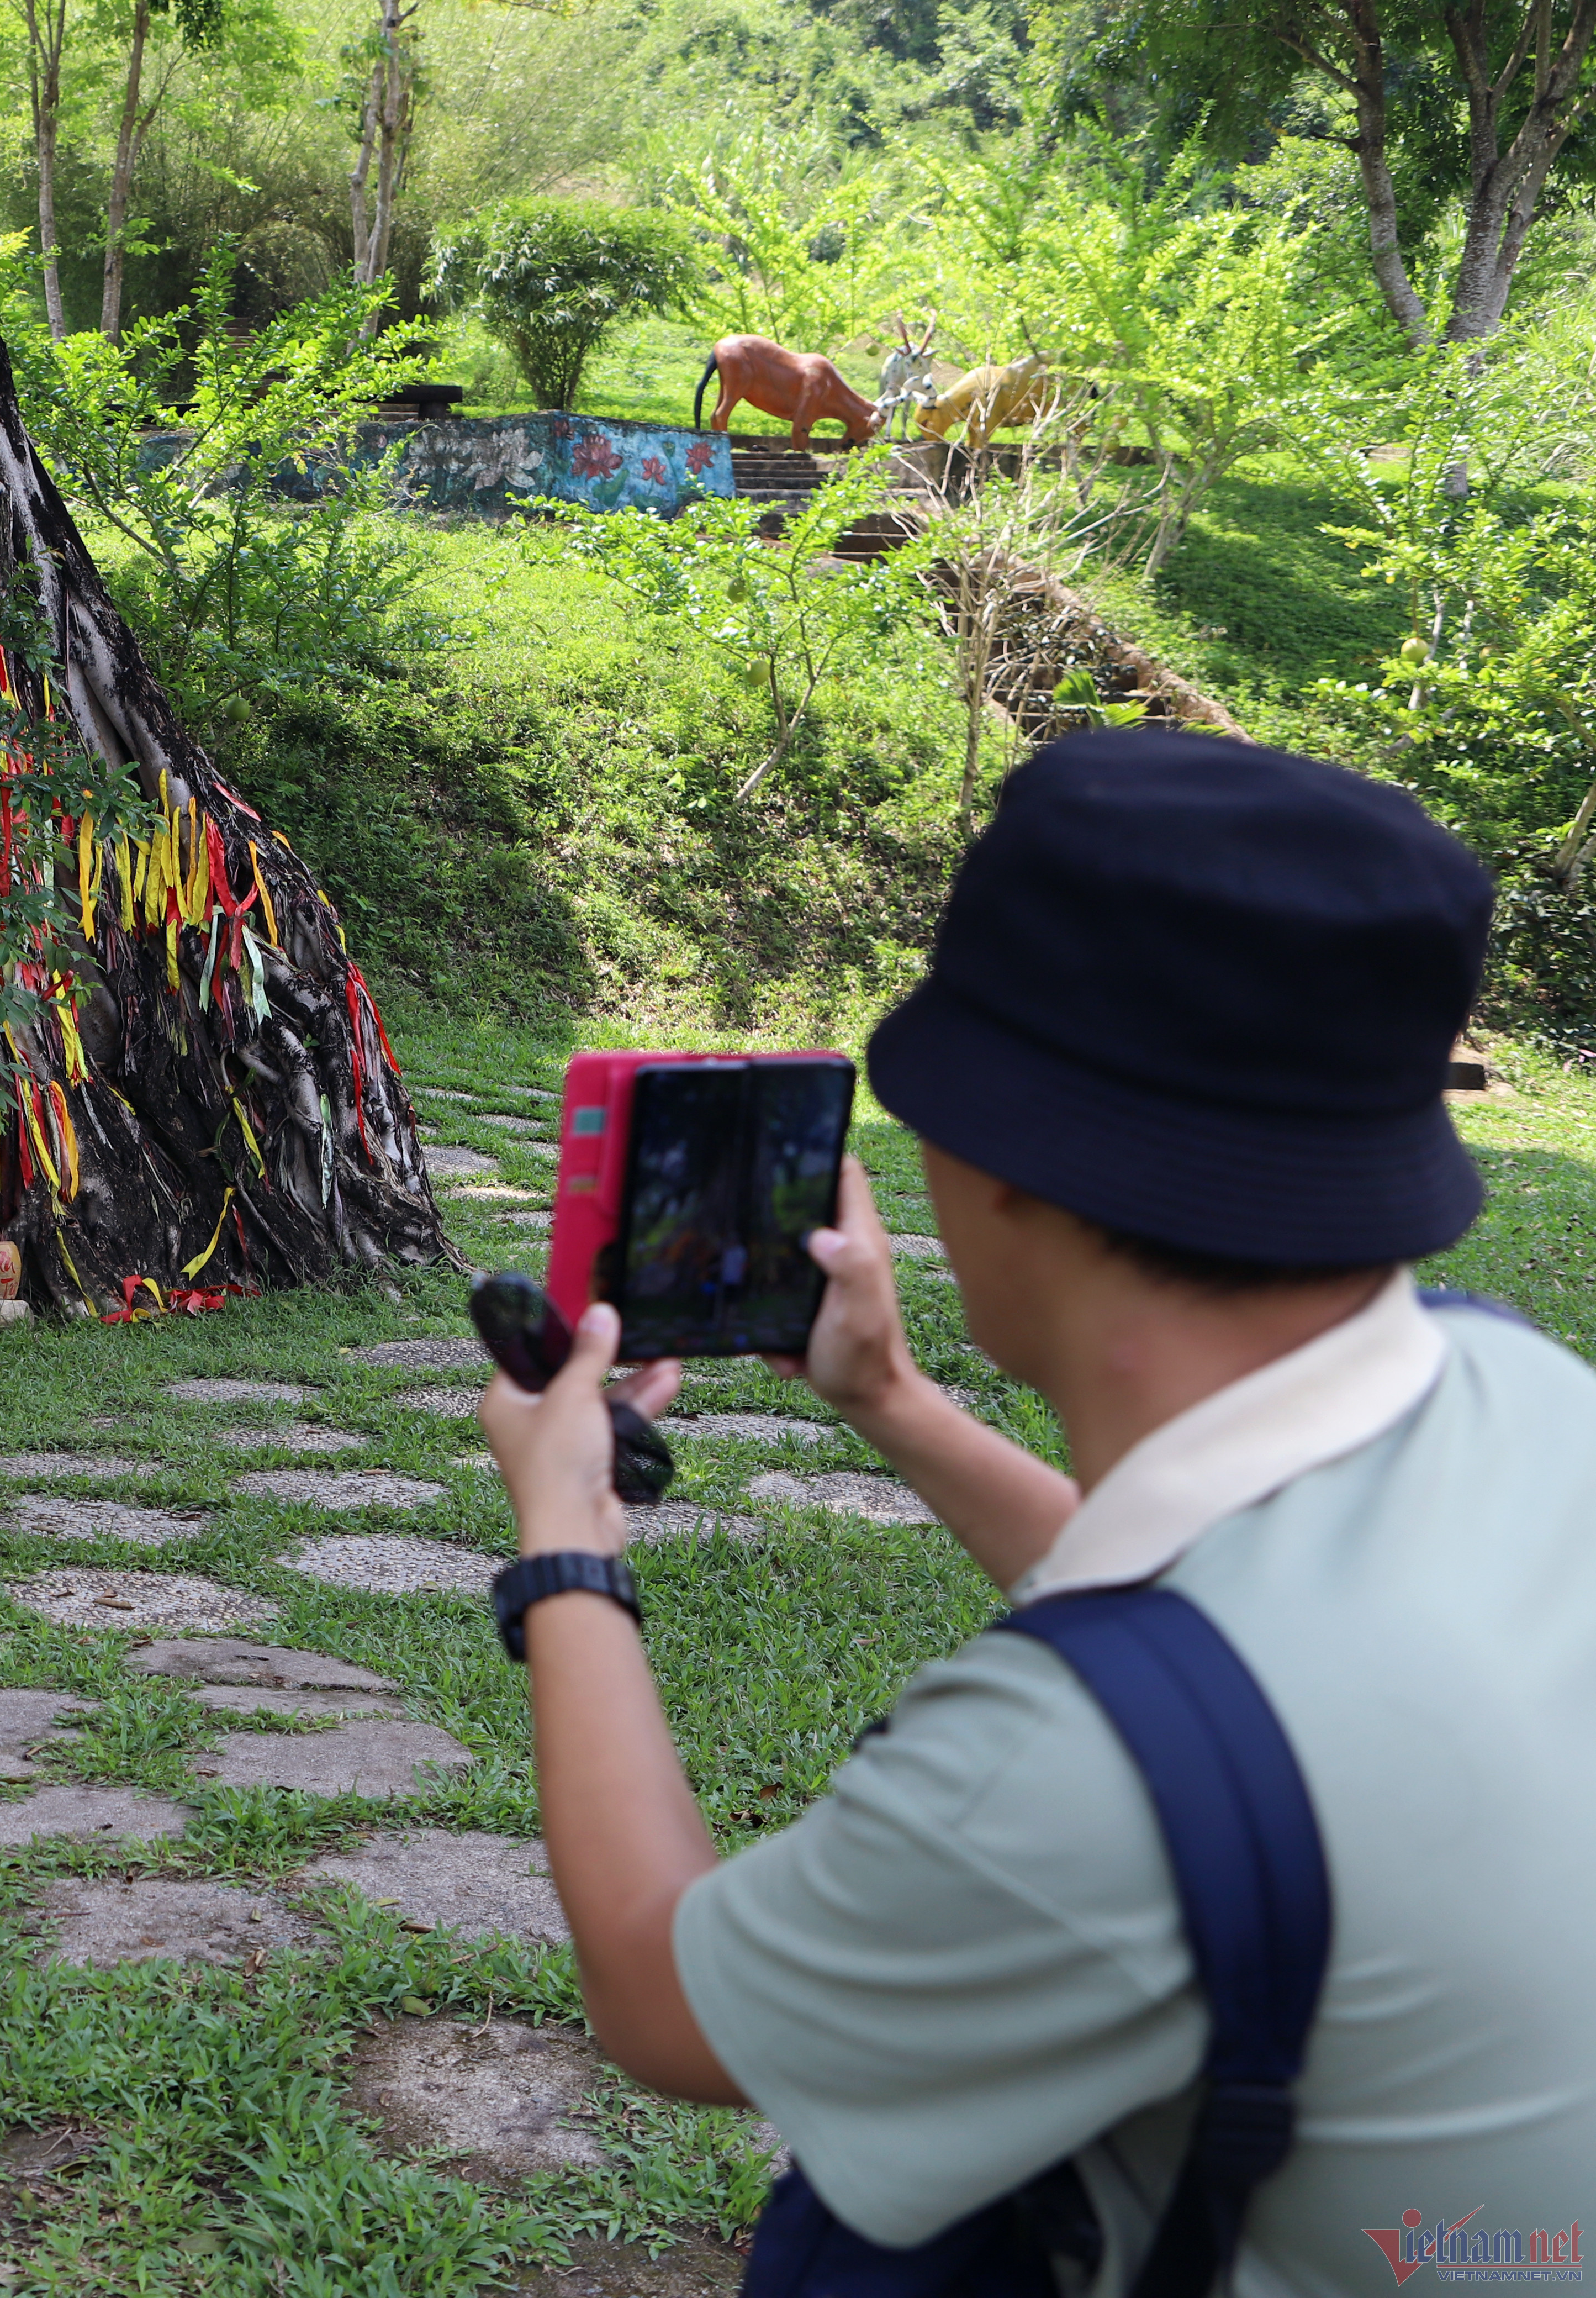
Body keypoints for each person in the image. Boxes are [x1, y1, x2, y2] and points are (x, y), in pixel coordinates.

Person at [477, 729, 1594, 2287]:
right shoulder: (1528, 1388)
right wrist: (891, 1401)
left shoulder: (1063, 1776)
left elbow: (666, 2008)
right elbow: (1242, 1661)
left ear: (998, 1171)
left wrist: (564, 1545)